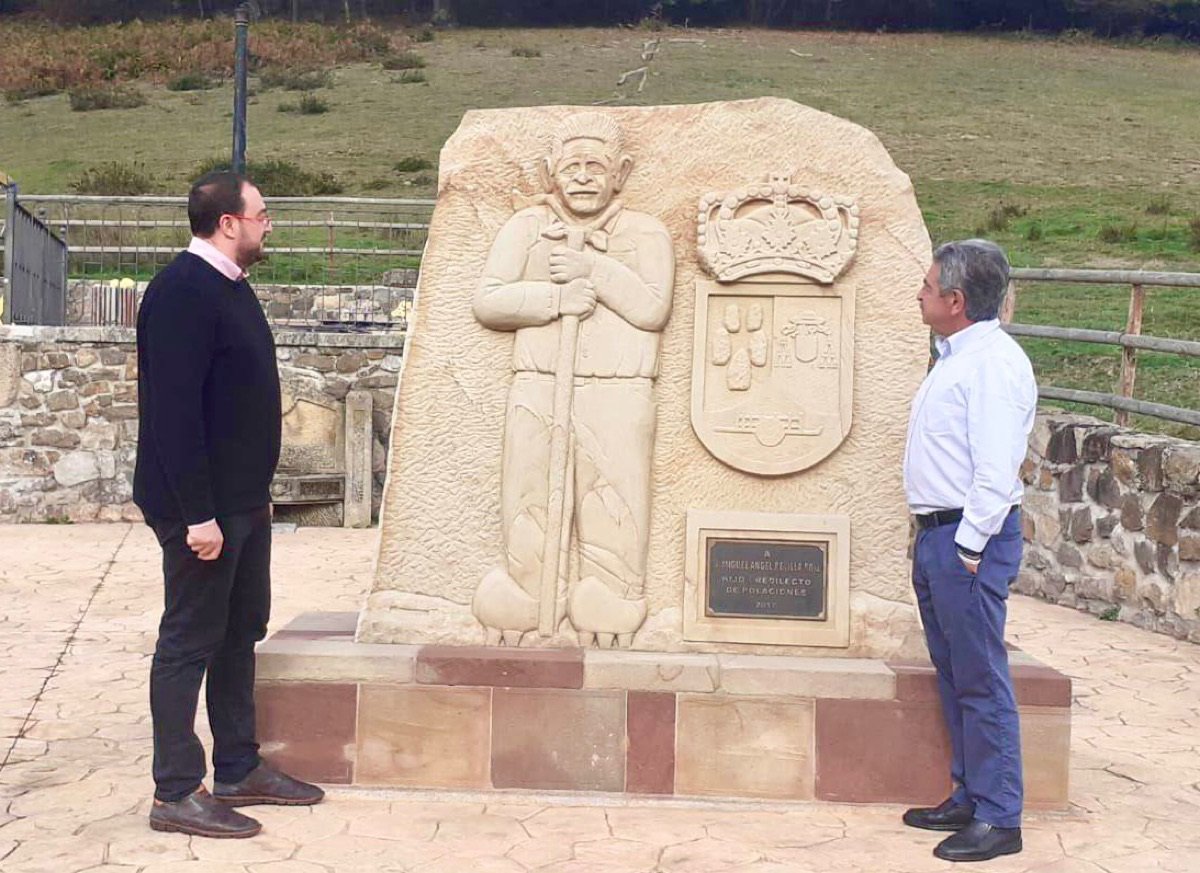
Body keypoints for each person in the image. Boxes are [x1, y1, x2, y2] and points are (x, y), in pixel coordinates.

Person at [134, 171, 323, 839]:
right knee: (189, 641)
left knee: (240, 631)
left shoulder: (231, 287)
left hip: (241, 502)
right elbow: (174, 415)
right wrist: (198, 516)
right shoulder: (182, 292)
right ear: (228, 223)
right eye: (262, 214)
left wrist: (252, 500)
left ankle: (239, 767)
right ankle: (176, 790)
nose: (269, 224)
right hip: (202, 509)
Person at [470, 112, 675, 647]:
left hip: (618, 387)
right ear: (550, 172)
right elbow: (488, 301)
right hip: (539, 381)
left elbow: (653, 308)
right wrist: (554, 298)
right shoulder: (526, 228)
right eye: (571, 167)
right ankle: (529, 590)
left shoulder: (646, 233)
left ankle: (613, 596)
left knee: (613, 496)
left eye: (596, 167)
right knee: (528, 490)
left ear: (620, 172)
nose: (583, 177)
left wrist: (596, 272)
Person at [902, 239, 1037, 862]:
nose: (920, 294)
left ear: (955, 301)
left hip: (966, 539)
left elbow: (996, 467)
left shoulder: (993, 365)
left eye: (929, 287)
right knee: (956, 672)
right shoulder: (959, 357)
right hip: (942, 535)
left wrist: (968, 547)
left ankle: (999, 816)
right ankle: (970, 795)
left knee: (981, 677)